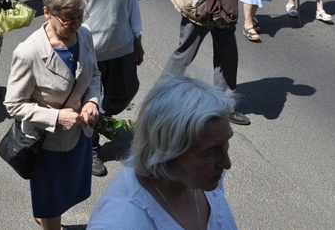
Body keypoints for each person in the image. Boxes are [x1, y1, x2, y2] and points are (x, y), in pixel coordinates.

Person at [5, 0, 101, 230]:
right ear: (47, 12)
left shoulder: (85, 34)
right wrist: (56, 118)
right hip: (47, 144)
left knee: (69, 189)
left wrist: (92, 101)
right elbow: (14, 105)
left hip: (79, 136)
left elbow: (95, 74)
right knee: (51, 200)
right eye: (68, 19)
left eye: (80, 17)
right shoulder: (28, 52)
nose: (75, 25)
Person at [87, 76, 237, 229]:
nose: (227, 164)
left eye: (227, 143)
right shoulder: (121, 222)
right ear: (166, 151)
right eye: (210, 152)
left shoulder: (201, 178)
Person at [60, 0, 144, 176]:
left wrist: (137, 37)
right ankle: (91, 148)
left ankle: (95, 122)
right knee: (90, 100)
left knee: (126, 91)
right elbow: (64, 12)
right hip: (89, 50)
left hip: (121, 44)